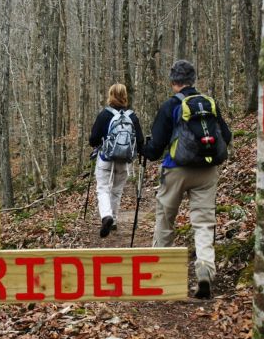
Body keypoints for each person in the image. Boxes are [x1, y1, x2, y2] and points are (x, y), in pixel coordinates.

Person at [142, 60, 232, 299]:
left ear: (173, 81)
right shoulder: (209, 104)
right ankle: (205, 268)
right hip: (207, 171)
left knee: (165, 218)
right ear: (193, 80)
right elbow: (226, 135)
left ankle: (159, 273)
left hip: (176, 171)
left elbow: (155, 149)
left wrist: (144, 148)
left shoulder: (170, 106)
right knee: (203, 222)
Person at [89, 83, 144, 238]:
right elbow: (140, 141)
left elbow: (93, 140)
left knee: (103, 189)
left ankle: (106, 216)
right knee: (117, 190)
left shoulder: (104, 115)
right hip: (124, 160)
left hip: (106, 159)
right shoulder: (132, 116)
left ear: (111, 95)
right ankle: (113, 220)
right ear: (125, 96)